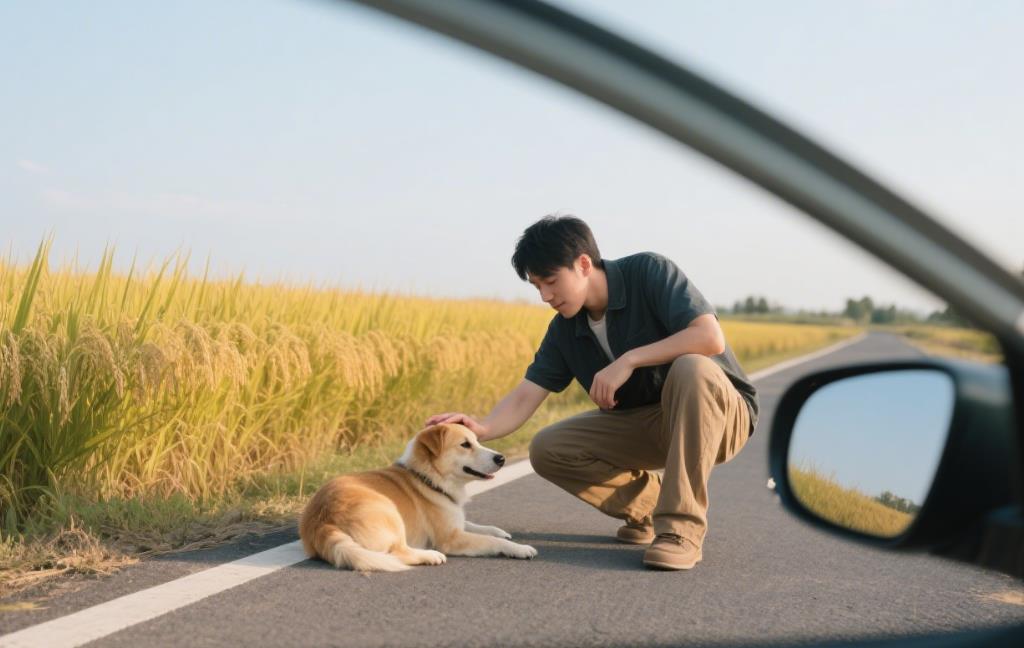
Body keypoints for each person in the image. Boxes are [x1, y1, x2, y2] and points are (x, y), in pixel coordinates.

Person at [425, 215, 758, 570]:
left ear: (583, 264)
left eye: (551, 281)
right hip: (649, 424)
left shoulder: (649, 272)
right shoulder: (564, 329)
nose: (545, 296)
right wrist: (481, 428)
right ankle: (649, 508)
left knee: (692, 368)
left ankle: (680, 530)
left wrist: (629, 360)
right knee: (549, 448)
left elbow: (709, 337)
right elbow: (526, 394)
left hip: (720, 416)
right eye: (537, 286)